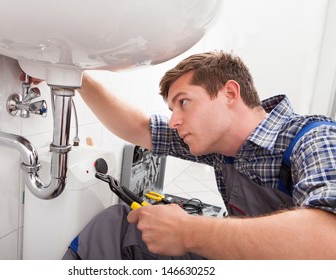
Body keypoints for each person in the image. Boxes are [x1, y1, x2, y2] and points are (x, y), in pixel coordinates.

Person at [55, 50, 336, 259]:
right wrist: (70, 75)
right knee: (120, 225)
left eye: (184, 103)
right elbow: (139, 128)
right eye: (172, 110)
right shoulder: (221, 150)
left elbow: (328, 242)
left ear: (229, 93)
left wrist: (187, 232)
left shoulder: (315, 139)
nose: (175, 120)